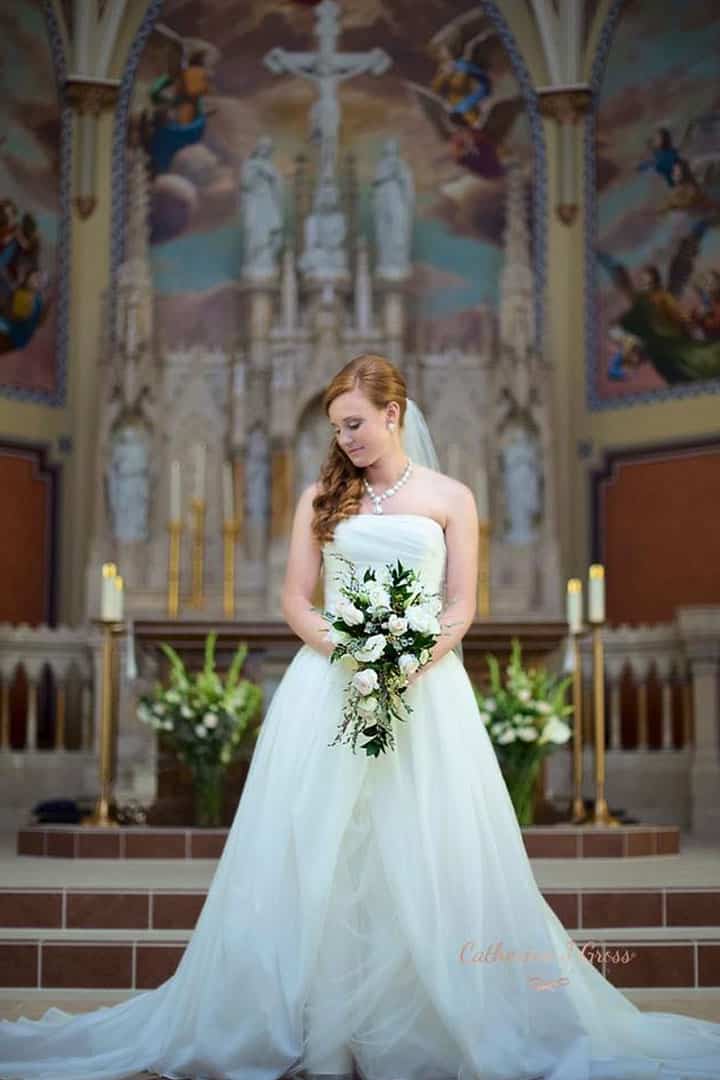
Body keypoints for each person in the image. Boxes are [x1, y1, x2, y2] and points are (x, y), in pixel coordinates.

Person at [2, 354, 720, 1079]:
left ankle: (428, 1021)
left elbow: (463, 606)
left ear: (393, 415)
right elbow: (293, 600)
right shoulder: (320, 497)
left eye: (355, 424)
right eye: (337, 427)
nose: (345, 438)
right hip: (327, 688)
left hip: (426, 690)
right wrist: (352, 647)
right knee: (320, 846)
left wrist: (410, 655)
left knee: (424, 843)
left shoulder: (452, 497)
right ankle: (313, 1019)